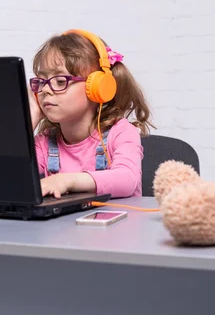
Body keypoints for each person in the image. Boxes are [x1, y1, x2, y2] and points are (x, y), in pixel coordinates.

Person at [27, 29, 154, 199]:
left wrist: (66, 181)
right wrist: (30, 118)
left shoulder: (121, 132)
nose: (46, 90)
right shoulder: (45, 143)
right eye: (42, 81)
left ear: (97, 88)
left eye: (60, 81)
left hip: (117, 224)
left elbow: (127, 180)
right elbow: (6, 177)